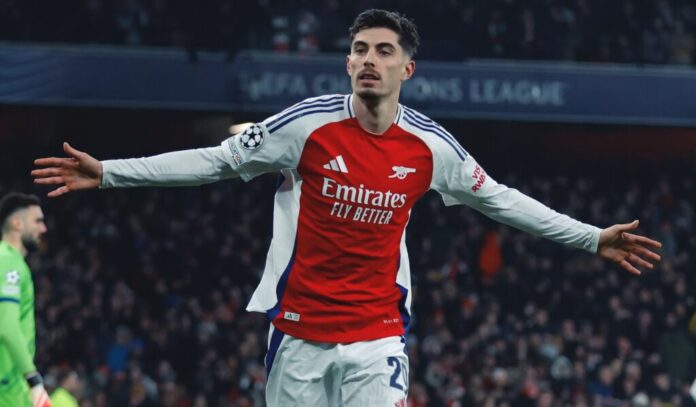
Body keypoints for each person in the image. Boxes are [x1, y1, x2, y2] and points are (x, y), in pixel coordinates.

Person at [32, 9, 662, 406]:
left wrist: (590, 237)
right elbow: (215, 161)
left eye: (383, 51)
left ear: (407, 68)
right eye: (360, 49)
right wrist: (109, 173)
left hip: (377, 334)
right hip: (298, 332)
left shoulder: (430, 148)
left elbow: (499, 200)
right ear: (348, 61)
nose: (368, 60)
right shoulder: (305, 127)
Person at [0, 193, 51, 407]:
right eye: (37, 221)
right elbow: (7, 325)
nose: (43, 228)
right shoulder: (8, 261)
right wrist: (33, 379)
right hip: (7, 388)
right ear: (17, 223)